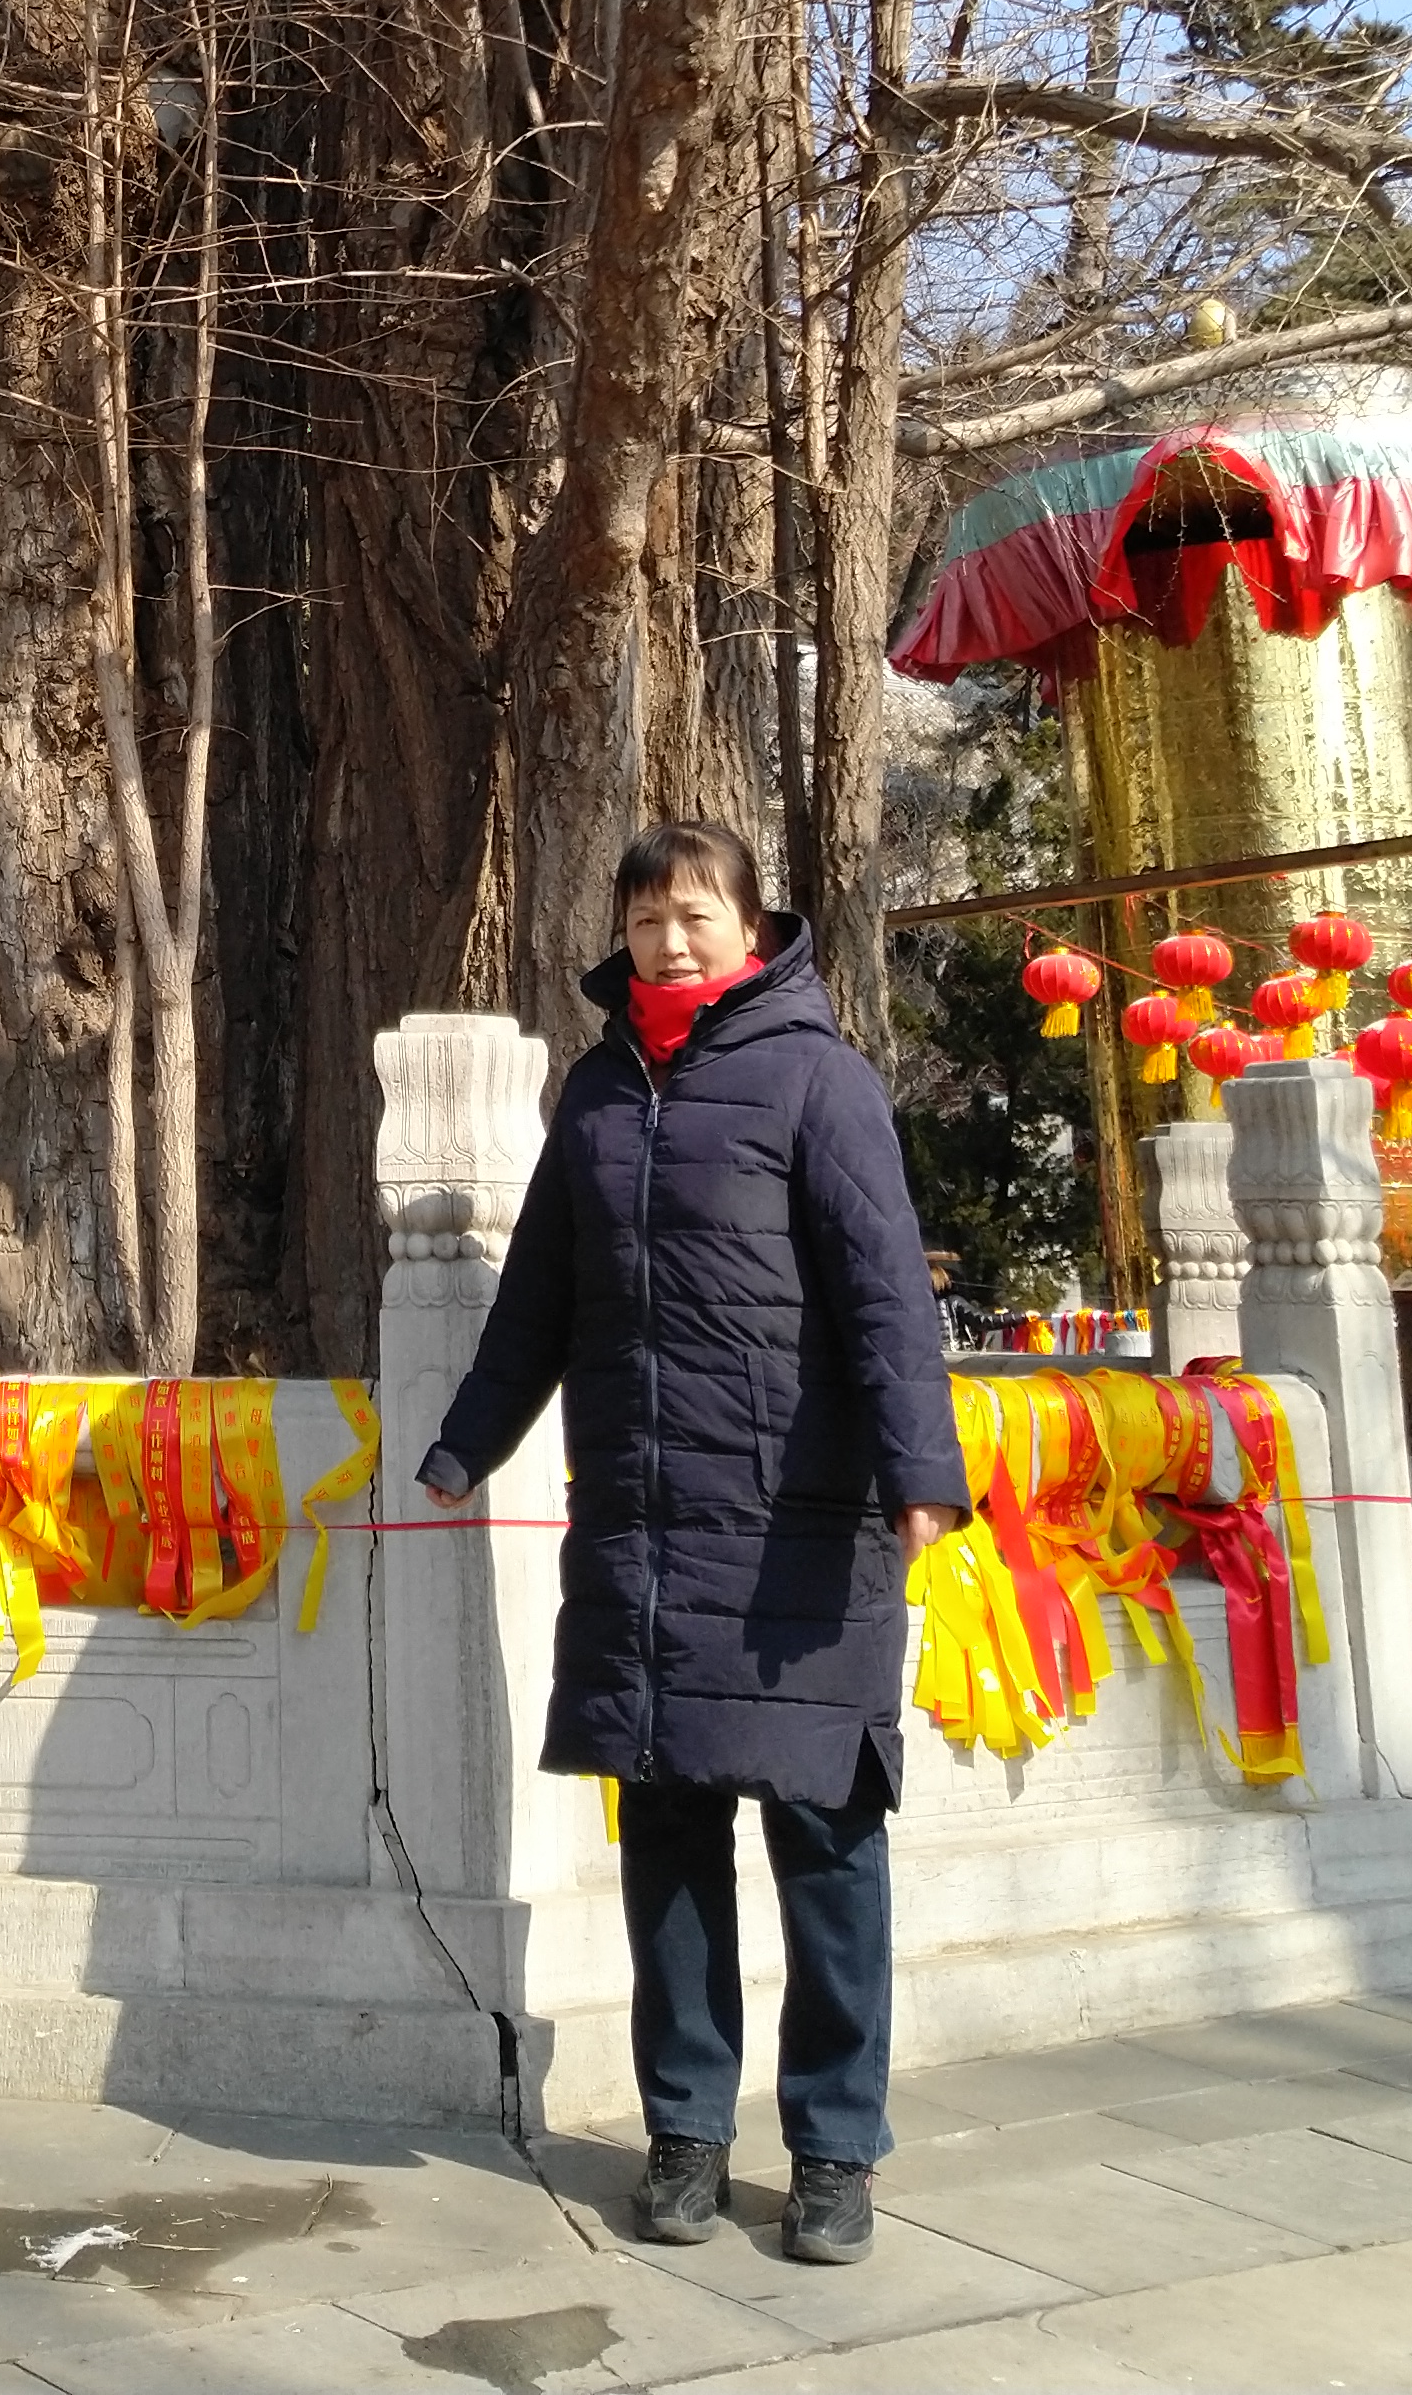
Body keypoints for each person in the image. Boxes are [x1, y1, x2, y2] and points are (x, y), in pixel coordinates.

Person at [415, 817, 969, 2266]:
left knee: (826, 1839)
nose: (669, 938)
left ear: (750, 924)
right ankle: (686, 2134)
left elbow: (887, 1298)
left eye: (696, 913)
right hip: (648, 1530)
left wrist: (922, 1471)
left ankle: (837, 2148)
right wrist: (461, 1447)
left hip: (801, 1536)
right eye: (647, 915)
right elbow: (538, 1300)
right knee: (666, 1838)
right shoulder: (598, 1096)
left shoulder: (818, 1080)